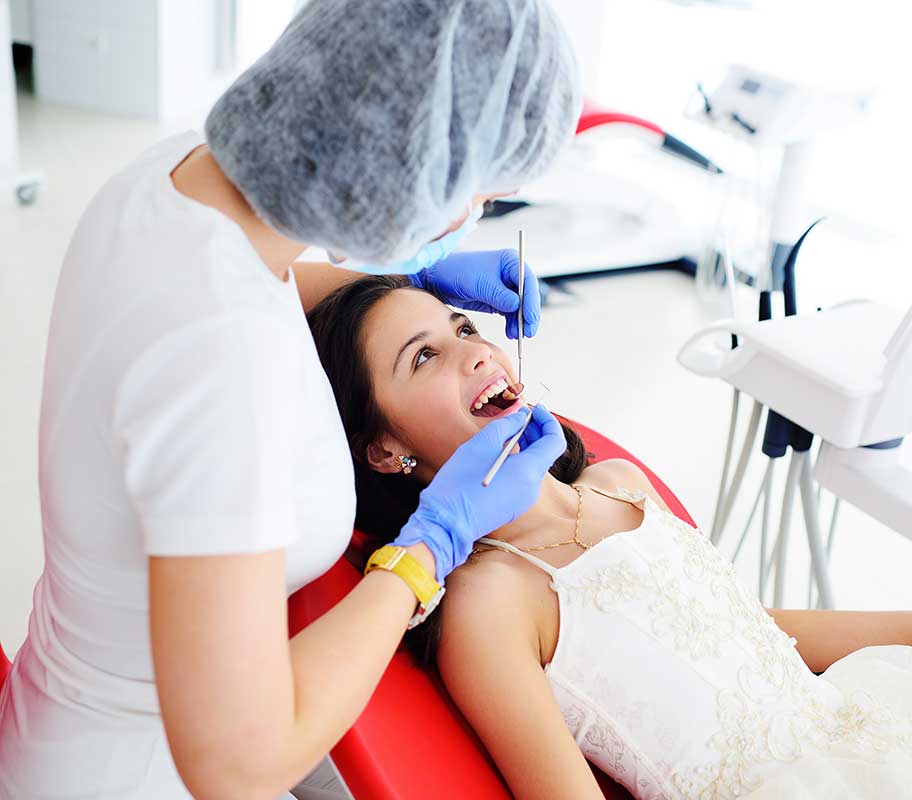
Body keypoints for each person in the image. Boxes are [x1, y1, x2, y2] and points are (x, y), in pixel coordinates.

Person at [307, 275, 912, 800]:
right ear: (385, 449)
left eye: (463, 325)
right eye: (421, 356)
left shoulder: (615, 484)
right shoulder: (490, 604)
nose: (471, 349)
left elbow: (741, 627)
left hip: (863, 723)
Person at [0, 2, 581, 798]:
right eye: (472, 191)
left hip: (67, 708)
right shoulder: (215, 365)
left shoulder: (178, 178)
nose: (463, 217)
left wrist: (408, 286)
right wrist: (429, 549)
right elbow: (235, 764)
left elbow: (253, 286)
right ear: (399, 159)